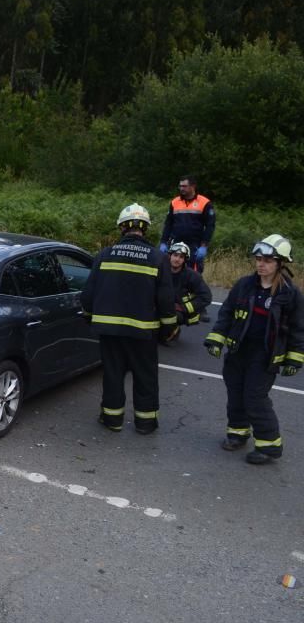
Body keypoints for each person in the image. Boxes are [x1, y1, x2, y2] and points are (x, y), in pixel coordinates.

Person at [204, 235, 304, 465]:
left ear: (280, 263)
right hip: (239, 349)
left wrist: (294, 359)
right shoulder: (244, 286)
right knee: (236, 393)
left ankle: (270, 446)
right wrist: (216, 340)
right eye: (259, 259)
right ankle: (237, 434)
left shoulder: (289, 294)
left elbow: (299, 329)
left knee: (255, 398)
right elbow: (227, 313)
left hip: (266, 354)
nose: (261, 264)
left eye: (268, 260)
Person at [81, 204, 176, 434]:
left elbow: (88, 295)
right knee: (146, 377)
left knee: (113, 375)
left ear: (122, 227)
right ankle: (145, 423)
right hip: (143, 333)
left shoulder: (105, 254)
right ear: (145, 229)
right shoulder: (158, 258)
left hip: (110, 332)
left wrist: (90, 318)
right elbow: (165, 299)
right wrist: (169, 328)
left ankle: (112, 420)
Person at [159, 175, 216, 275]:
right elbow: (168, 224)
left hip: (194, 245)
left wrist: (204, 246)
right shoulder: (175, 202)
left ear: (193, 186)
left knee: (193, 274)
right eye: (180, 186)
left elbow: (210, 226)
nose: (181, 188)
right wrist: (163, 242)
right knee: (171, 272)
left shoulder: (205, 202)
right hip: (175, 242)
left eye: (184, 186)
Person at [159, 241, 213, 344]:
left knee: (164, 339)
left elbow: (206, 296)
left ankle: (173, 329)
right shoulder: (161, 271)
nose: (177, 259)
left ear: (184, 260)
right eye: (175, 255)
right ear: (169, 256)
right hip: (162, 306)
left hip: (180, 311)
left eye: (181, 257)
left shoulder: (192, 276)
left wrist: (183, 308)